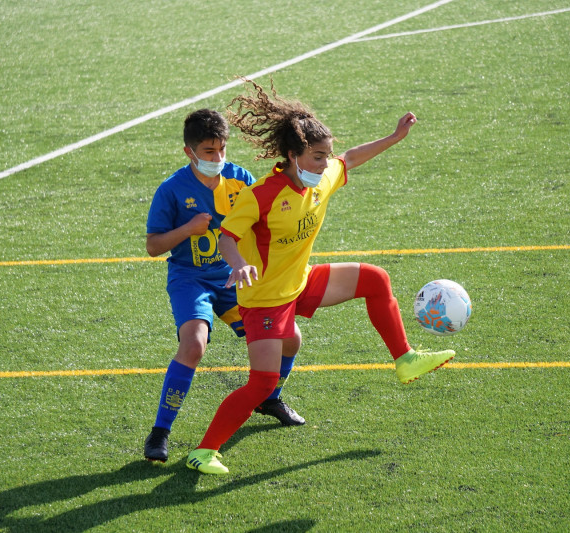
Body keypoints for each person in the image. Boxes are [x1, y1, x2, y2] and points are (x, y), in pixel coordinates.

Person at [185, 81, 455, 475]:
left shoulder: (321, 177)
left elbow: (350, 158)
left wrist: (396, 137)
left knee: (375, 279)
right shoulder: (261, 195)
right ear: (293, 156)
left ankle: (405, 359)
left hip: (301, 281)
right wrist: (239, 264)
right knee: (260, 384)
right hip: (265, 299)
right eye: (317, 157)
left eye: (326, 156)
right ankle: (204, 451)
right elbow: (227, 237)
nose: (326, 164)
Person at [143, 108, 305, 464]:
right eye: (208, 152)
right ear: (190, 153)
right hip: (191, 279)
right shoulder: (171, 190)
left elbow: (263, 222)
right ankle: (160, 431)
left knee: (291, 337)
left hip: (237, 279)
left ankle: (270, 396)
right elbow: (153, 247)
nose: (218, 158)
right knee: (194, 345)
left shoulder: (240, 178)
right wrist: (188, 229)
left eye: (221, 150)